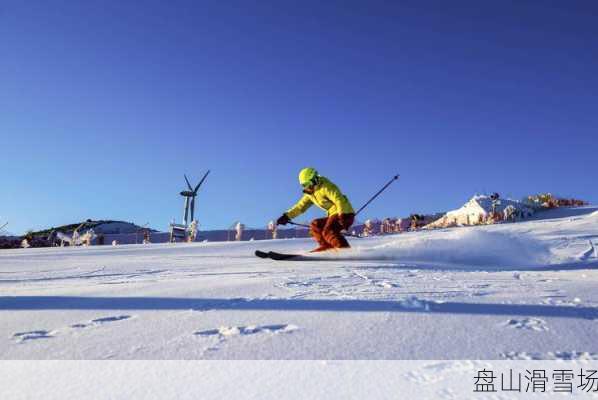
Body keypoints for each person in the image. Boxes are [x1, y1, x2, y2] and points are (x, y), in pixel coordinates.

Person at [276, 168, 355, 252]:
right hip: (333, 214)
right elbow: (300, 207)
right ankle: (326, 247)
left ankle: (344, 250)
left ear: (315, 179)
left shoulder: (326, 186)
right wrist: (286, 216)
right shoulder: (310, 193)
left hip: (345, 213)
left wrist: (342, 215)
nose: (308, 186)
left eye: (310, 183)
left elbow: (339, 199)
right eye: (304, 184)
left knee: (328, 231)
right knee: (315, 224)